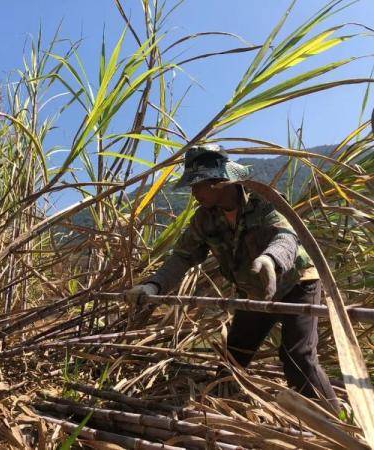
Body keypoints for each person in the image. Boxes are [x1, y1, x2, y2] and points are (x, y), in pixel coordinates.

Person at [126, 144, 339, 412]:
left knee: (297, 355)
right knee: (234, 356)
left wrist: (270, 260)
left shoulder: (263, 201)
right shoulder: (204, 219)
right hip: (255, 291)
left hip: (297, 282)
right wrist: (152, 285)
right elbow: (182, 257)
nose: (193, 193)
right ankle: (219, 409)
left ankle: (335, 422)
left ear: (217, 182)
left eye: (197, 185)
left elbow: (285, 236)